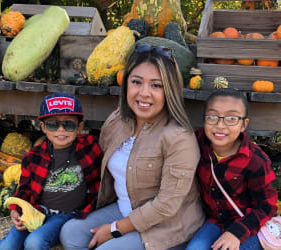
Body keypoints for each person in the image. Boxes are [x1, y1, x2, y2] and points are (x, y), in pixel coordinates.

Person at [60, 43, 204, 250]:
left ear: (169, 90)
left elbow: (166, 206)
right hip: (124, 208)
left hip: (165, 226)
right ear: (126, 83)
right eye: (137, 82)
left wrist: (114, 229)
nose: (144, 93)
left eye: (156, 85)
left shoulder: (179, 138)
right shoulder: (117, 121)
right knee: (71, 233)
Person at [0, 92, 102, 250]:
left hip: (68, 214)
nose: (61, 130)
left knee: (35, 242)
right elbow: (24, 188)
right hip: (38, 211)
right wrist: (15, 210)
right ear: (43, 127)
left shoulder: (90, 148)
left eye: (69, 124)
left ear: (80, 127)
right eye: (53, 124)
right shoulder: (33, 157)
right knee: (7, 246)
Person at [186, 88, 278, 250]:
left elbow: (266, 206)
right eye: (212, 116)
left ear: (244, 124)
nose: (220, 125)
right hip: (215, 220)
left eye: (232, 118)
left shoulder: (256, 160)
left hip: (248, 224)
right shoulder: (196, 142)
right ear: (204, 119)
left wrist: (236, 233)